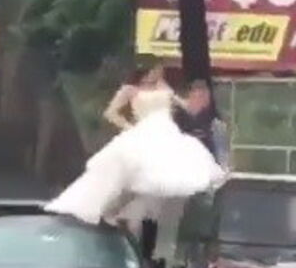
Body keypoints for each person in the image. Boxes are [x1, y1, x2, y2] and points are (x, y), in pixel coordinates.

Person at [45, 59, 227, 243]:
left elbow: (185, 106)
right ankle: (108, 210)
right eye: (156, 70)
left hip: (166, 132)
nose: (159, 74)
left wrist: (197, 99)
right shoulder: (130, 89)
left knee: (166, 169)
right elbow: (111, 112)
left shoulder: (164, 87)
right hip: (143, 131)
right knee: (127, 171)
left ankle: (132, 216)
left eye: (160, 71)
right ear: (146, 70)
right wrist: (129, 126)